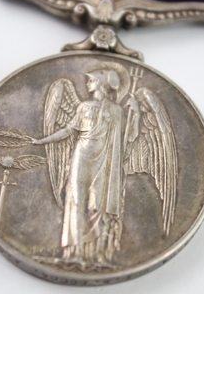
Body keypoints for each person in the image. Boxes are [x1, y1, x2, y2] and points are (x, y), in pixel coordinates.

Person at [33, 69, 139, 264]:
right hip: (81, 157)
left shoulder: (116, 110)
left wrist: (137, 115)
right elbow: (68, 131)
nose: (88, 83)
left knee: (97, 204)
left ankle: (97, 254)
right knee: (76, 200)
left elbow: (127, 139)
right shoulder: (83, 107)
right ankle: (74, 252)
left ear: (101, 83)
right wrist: (43, 141)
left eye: (91, 80)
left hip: (104, 160)